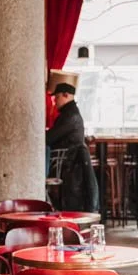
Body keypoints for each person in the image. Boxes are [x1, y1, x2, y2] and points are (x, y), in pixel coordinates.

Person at [45, 82, 98, 212]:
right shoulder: (70, 113)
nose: (55, 101)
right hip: (70, 165)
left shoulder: (70, 116)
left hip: (67, 165)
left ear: (66, 95)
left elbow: (49, 138)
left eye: (56, 98)